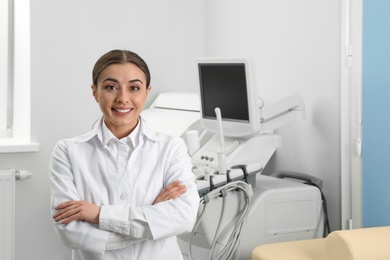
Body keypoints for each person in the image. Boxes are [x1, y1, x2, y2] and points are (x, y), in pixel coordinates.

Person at [49, 49, 200, 260]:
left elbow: (183, 218)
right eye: (111, 87)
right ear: (95, 92)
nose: (123, 98)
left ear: (147, 92)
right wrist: (154, 219)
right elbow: (71, 234)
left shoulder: (172, 148)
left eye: (134, 88)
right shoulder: (67, 151)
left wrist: (99, 215)